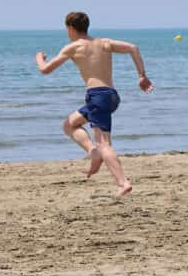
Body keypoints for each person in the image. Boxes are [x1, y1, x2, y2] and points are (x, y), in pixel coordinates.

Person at [33, 11, 152, 197]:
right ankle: (93, 152)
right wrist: (142, 76)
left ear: (71, 28)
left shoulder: (73, 47)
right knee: (70, 124)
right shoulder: (104, 43)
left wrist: (39, 58)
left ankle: (123, 183)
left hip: (97, 96)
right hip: (111, 96)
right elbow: (133, 48)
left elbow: (45, 70)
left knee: (104, 143)